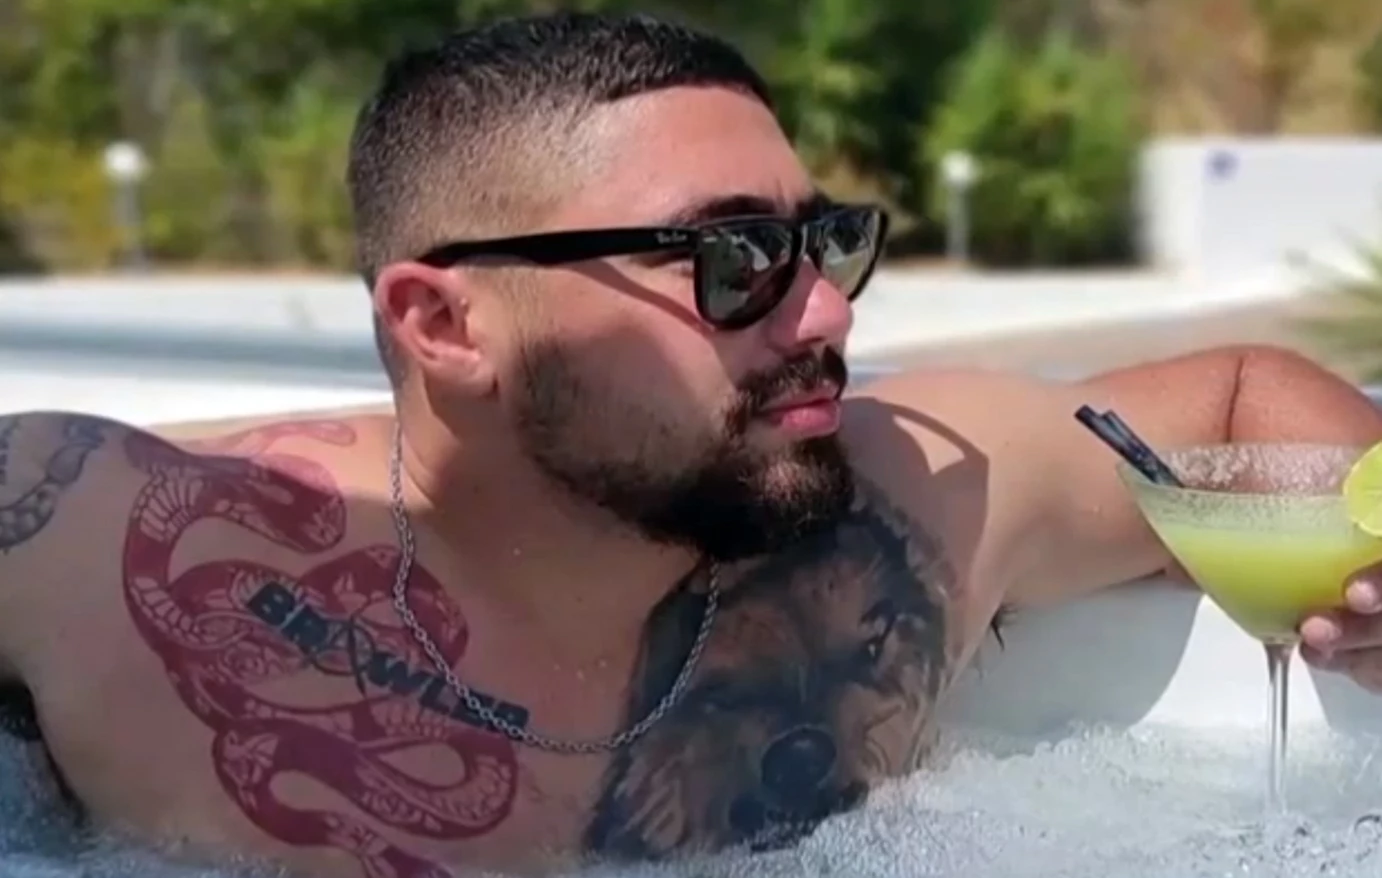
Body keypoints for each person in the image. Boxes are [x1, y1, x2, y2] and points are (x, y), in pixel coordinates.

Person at [1, 10, 1381, 878]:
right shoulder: (90, 546)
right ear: (444, 323)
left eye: (822, 241)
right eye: (732, 259)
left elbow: (1238, 397)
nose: (827, 311)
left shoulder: (913, 496)